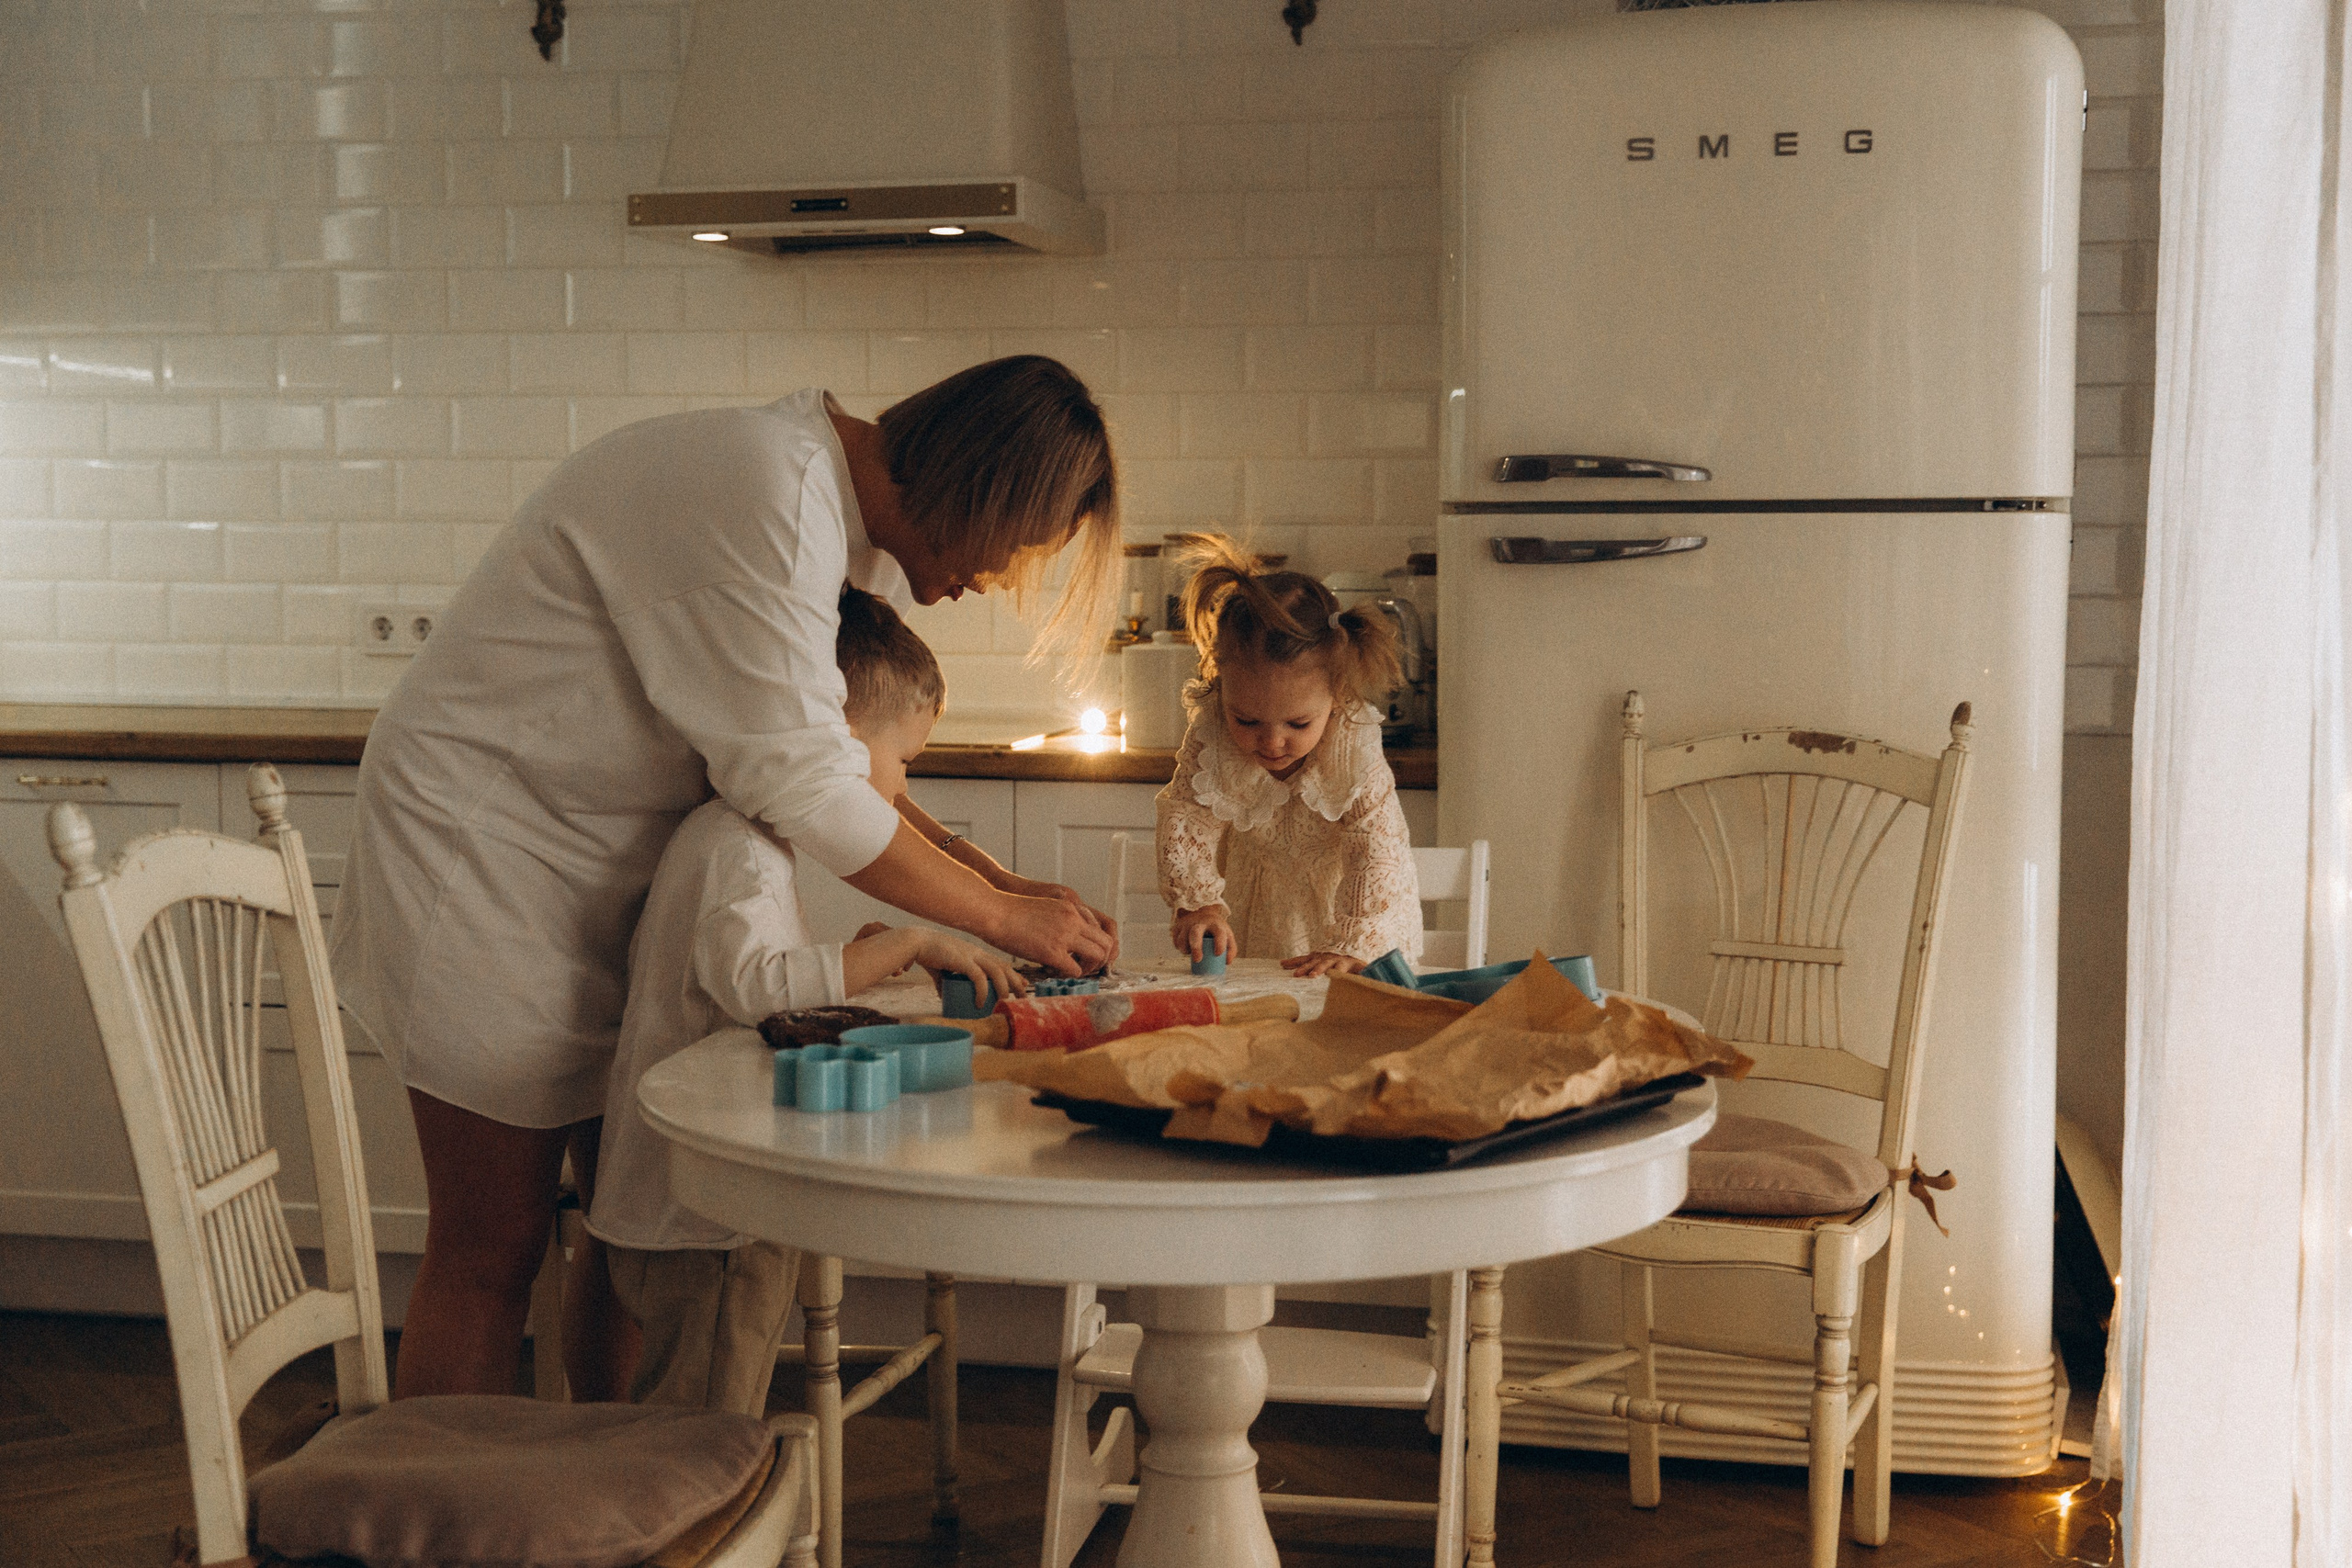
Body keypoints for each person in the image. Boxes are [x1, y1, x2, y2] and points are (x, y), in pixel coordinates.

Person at [333, 356, 1122, 1399]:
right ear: (972, 486)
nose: (996, 583)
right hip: (484, 856)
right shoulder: (773, 492)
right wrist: (998, 915)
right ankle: (431, 1533)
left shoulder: (853, 541)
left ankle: (601, 1500)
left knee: (626, 1233)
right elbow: (799, 782)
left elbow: (834, 756)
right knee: (495, 1246)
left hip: (610, 871)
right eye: (1013, 552)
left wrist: (992, 876)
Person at [587, 590, 1015, 1413]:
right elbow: (758, 989)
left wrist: (858, 959)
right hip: (705, 1222)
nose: (900, 785)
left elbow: (747, 980)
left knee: (691, 1414)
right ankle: (694, 1541)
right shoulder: (738, 853)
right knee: (699, 1433)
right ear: (840, 748)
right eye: (904, 761)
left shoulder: (735, 838)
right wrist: (908, 944)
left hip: (683, 1207)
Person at [1155, 536, 1422, 979]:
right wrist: (1198, 904)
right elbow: (1186, 815)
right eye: (1246, 720)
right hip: (1254, 914)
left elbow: (1378, 850)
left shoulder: (1354, 745)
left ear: (1336, 698)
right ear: (1220, 684)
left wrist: (1353, 941)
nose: (1271, 742)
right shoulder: (1214, 737)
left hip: (1351, 922)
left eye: (1297, 725)